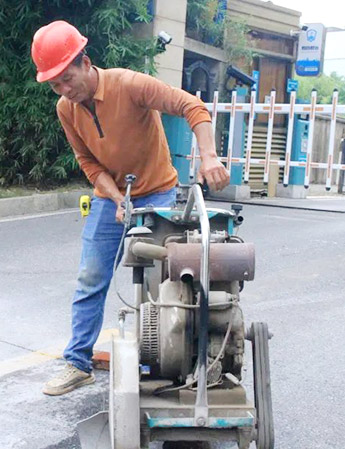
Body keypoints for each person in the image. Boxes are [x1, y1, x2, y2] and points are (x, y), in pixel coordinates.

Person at [31, 20, 229, 396]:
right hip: (111, 198)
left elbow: (191, 106)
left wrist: (208, 156)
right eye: (55, 85)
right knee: (90, 278)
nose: (64, 90)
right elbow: (88, 162)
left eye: (67, 79)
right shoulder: (65, 109)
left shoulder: (129, 84)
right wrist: (117, 198)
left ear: (85, 62)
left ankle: (167, 360)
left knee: (161, 283)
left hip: (158, 193)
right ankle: (78, 363)